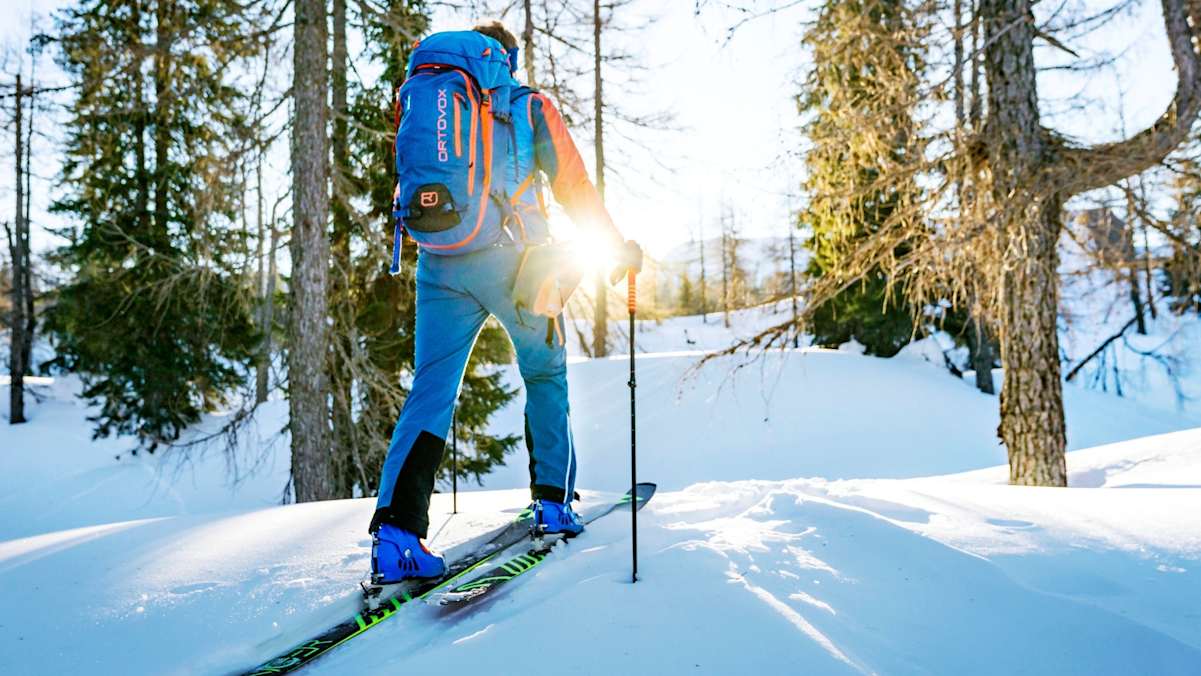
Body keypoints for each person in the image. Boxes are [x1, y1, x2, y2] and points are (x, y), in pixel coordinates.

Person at [369, 20, 641, 583]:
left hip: (439, 261)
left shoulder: (430, 94)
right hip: (517, 263)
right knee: (545, 374)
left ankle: (395, 540)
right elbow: (573, 186)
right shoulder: (527, 105)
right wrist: (613, 247)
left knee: (430, 392)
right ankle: (552, 504)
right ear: (506, 60)